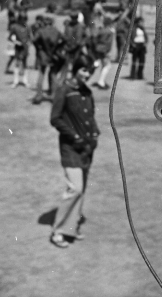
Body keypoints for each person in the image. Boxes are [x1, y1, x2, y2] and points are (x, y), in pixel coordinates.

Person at [49, 56, 100, 248]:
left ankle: (72, 227)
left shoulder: (87, 91)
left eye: (90, 71)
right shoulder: (64, 90)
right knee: (75, 188)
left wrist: (94, 134)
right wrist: (73, 136)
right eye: (84, 70)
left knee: (82, 189)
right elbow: (55, 118)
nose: (87, 74)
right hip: (71, 147)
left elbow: (90, 116)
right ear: (76, 69)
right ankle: (58, 231)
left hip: (87, 146)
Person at [32, 16, 65, 104]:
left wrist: (39, 47)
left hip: (43, 54)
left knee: (41, 74)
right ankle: (54, 95)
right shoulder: (56, 31)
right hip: (53, 54)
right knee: (53, 74)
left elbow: (34, 40)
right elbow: (65, 39)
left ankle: (39, 95)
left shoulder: (41, 31)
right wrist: (58, 47)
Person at [88, 16, 115, 90]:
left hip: (98, 48)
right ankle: (101, 82)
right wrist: (108, 51)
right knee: (108, 66)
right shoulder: (109, 31)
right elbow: (109, 43)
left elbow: (94, 39)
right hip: (104, 50)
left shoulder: (101, 30)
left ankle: (101, 80)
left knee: (103, 65)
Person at [61, 11, 87, 82]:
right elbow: (64, 35)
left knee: (75, 65)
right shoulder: (68, 25)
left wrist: (81, 43)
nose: (73, 19)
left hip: (76, 49)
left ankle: (74, 80)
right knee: (66, 65)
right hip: (69, 48)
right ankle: (63, 80)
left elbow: (83, 37)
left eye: (74, 18)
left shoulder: (80, 26)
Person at [9, 13, 31, 88]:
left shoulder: (27, 27)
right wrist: (16, 42)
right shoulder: (14, 27)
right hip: (18, 47)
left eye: (25, 19)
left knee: (25, 63)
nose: (24, 21)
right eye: (22, 19)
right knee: (17, 63)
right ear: (19, 19)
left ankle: (25, 80)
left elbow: (30, 37)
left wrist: (28, 43)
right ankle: (16, 81)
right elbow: (9, 37)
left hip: (25, 47)